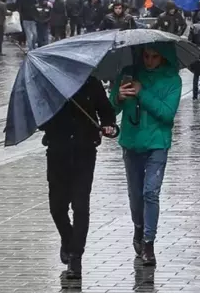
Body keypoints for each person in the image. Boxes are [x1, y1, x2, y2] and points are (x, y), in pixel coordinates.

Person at [109, 44, 182, 266]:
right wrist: (118, 97)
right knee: (135, 195)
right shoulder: (129, 74)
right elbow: (110, 110)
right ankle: (138, 228)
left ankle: (149, 242)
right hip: (131, 142)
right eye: (146, 56)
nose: (149, 60)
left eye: (155, 57)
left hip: (157, 143)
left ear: (163, 57)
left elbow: (167, 114)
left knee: (151, 192)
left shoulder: (172, 80)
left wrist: (143, 93)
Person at [40, 76, 117, 280]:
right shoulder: (52, 84)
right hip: (57, 153)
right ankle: (68, 239)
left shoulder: (92, 83)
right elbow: (41, 121)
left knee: (81, 206)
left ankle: (76, 257)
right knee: (57, 207)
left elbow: (106, 112)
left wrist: (109, 126)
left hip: (84, 152)